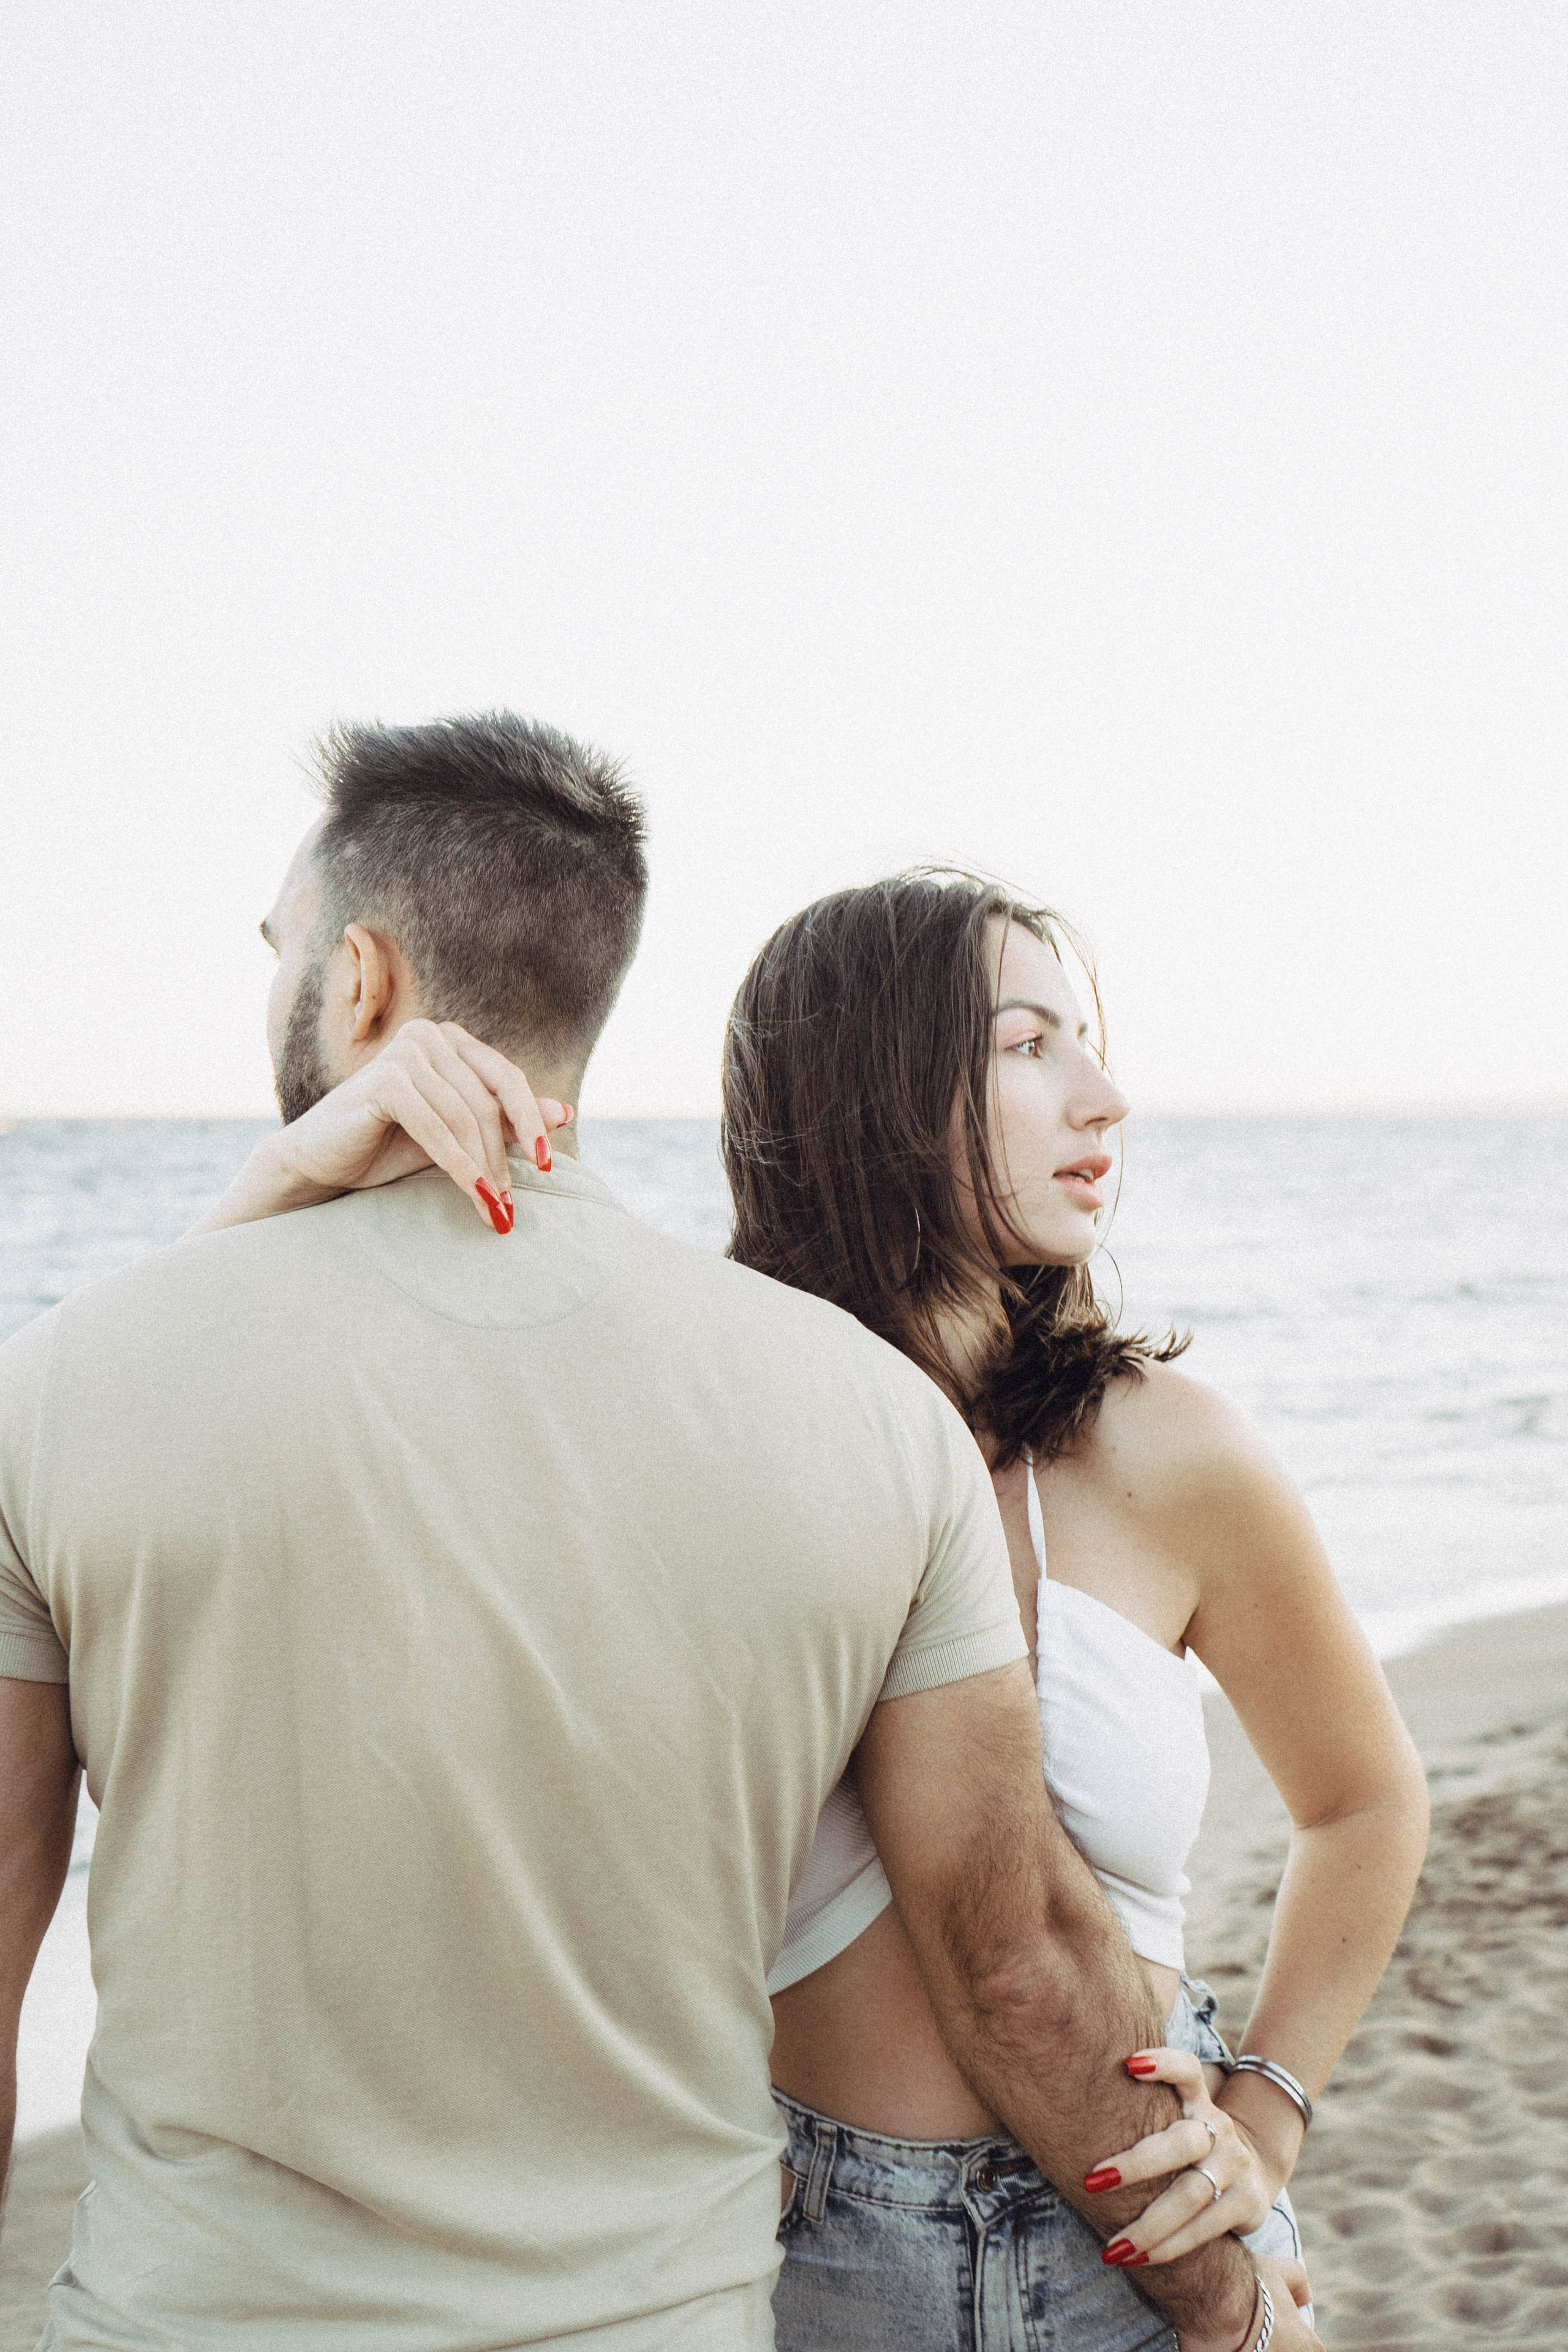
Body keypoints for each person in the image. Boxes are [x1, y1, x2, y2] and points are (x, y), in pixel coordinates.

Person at [0, 719, 1285, 2352]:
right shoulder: (870, 1424)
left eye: (282, 960)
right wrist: (1238, 2308)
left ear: (360, 987)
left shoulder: (60, 1395)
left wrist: (259, 1195)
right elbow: (1020, 1953)